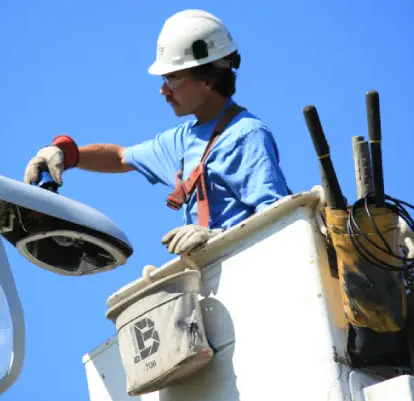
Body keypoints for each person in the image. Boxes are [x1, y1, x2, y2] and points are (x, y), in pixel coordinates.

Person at [23, 9, 291, 255]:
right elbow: (119, 158)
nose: (164, 90)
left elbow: (279, 220)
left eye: (173, 78)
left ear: (208, 79)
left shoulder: (246, 135)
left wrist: (218, 236)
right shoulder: (183, 140)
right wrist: (66, 153)